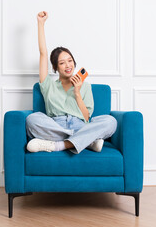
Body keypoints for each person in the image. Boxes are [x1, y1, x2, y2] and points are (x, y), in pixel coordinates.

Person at [26, 11, 117, 154]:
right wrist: (40, 24)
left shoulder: (85, 86)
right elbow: (43, 53)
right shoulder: (48, 85)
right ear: (55, 67)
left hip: (81, 126)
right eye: (62, 63)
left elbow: (87, 117)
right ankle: (87, 142)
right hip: (57, 127)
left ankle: (59, 145)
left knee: (110, 121)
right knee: (32, 119)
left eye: (70, 61)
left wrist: (77, 92)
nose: (68, 65)